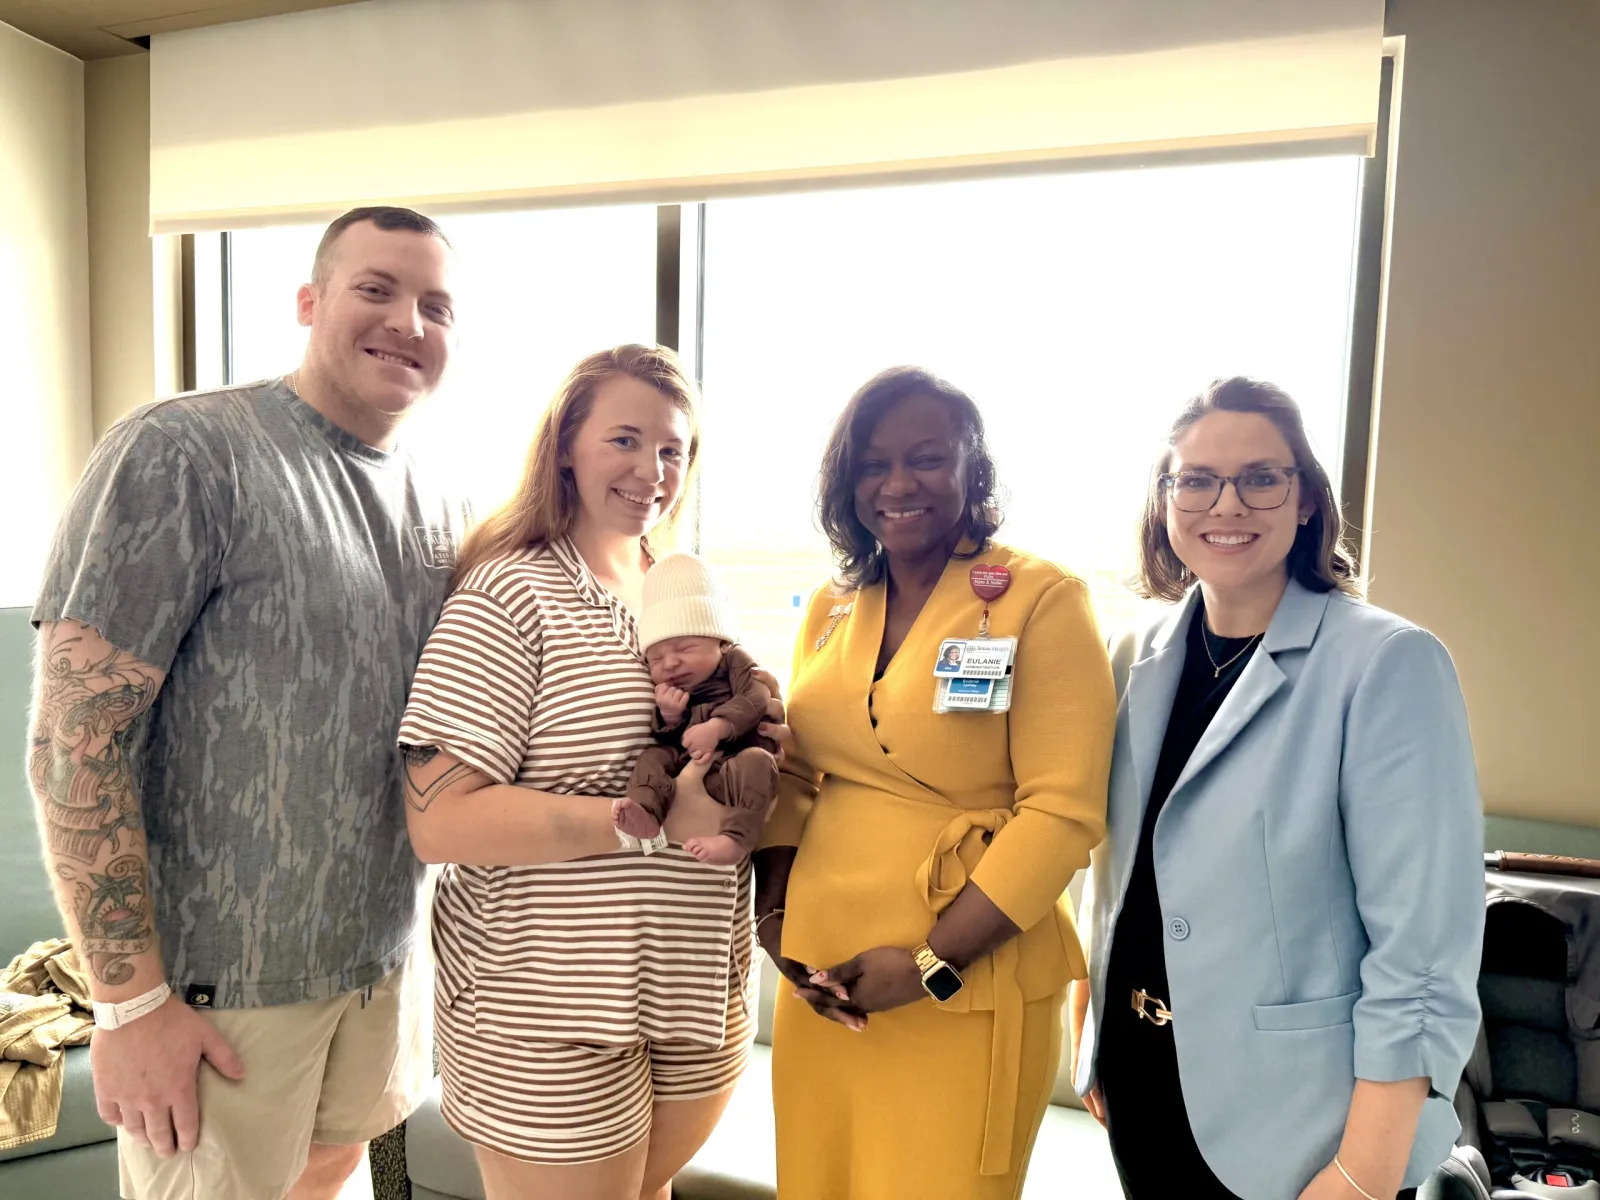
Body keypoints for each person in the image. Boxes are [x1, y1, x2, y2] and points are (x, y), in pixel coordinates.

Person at [27, 206, 468, 1200]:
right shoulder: (184, 452)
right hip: (216, 991)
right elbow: (75, 739)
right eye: (377, 289)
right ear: (309, 301)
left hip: (377, 962)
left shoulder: (439, 502)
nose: (409, 321)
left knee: (334, 1170)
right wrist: (128, 1005)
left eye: (436, 305)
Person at [1068, 377, 1484, 1200]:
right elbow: (1115, 874)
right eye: (1196, 478)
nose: (1227, 502)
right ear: (1166, 502)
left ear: (1304, 501)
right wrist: (1090, 1031)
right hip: (1145, 1085)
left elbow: (1423, 956)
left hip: (1303, 1129)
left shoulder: (1385, 664)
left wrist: (1362, 1175)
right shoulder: (1133, 657)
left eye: (1262, 477)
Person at [395, 345, 785, 1200]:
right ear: (566, 443)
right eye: (625, 439)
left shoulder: (679, 591)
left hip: (696, 993)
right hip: (549, 1009)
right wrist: (637, 821)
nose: (653, 470)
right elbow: (440, 820)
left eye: (674, 449)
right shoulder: (511, 593)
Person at [755, 366, 1116, 1199]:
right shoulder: (835, 607)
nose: (897, 484)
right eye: (873, 465)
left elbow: (1063, 813)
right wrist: (773, 921)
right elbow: (798, 775)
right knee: (818, 1184)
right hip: (826, 982)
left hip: (966, 983)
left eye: (925, 458)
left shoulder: (1040, 600)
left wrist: (929, 963)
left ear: (972, 467)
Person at [616, 552, 781, 866]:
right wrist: (670, 716)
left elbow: (756, 697)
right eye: (656, 658)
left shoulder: (735, 660)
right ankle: (647, 812)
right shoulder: (674, 687)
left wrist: (718, 727)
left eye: (684, 648)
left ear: (720, 642)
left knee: (758, 761)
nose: (671, 663)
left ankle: (736, 838)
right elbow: (672, 740)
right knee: (652, 757)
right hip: (691, 770)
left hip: (735, 766)